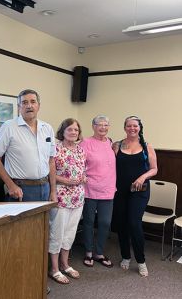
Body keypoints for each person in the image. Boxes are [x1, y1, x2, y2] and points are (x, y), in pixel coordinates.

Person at [0, 89, 56, 203]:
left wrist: (53, 191)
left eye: (33, 102)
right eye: (24, 102)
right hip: (20, 189)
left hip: (45, 187)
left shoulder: (47, 128)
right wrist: (10, 185)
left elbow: (51, 161)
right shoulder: (9, 127)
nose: (29, 106)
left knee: (44, 221)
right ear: (19, 106)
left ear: (38, 106)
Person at [112, 116, 157, 277]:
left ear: (140, 128)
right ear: (125, 128)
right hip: (120, 190)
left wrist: (142, 177)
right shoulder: (117, 145)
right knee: (122, 224)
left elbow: (154, 169)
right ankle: (125, 256)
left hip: (140, 190)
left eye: (135, 126)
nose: (132, 128)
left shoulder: (147, 146)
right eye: (129, 126)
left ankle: (141, 260)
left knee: (134, 222)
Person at [48, 118, 86, 284]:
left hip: (78, 197)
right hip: (61, 196)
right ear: (62, 131)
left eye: (76, 130)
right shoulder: (55, 149)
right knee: (57, 233)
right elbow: (49, 174)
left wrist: (83, 177)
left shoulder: (80, 150)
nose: (73, 132)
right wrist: (64, 181)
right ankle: (54, 269)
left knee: (70, 233)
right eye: (70, 129)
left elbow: (82, 170)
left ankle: (65, 264)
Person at [80, 115, 116, 268]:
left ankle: (99, 252)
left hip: (108, 188)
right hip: (90, 188)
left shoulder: (111, 143)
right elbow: (78, 162)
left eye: (106, 125)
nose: (103, 127)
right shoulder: (86, 143)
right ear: (93, 126)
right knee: (88, 221)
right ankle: (88, 251)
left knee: (105, 222)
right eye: (99, 124)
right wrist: (82, 175)